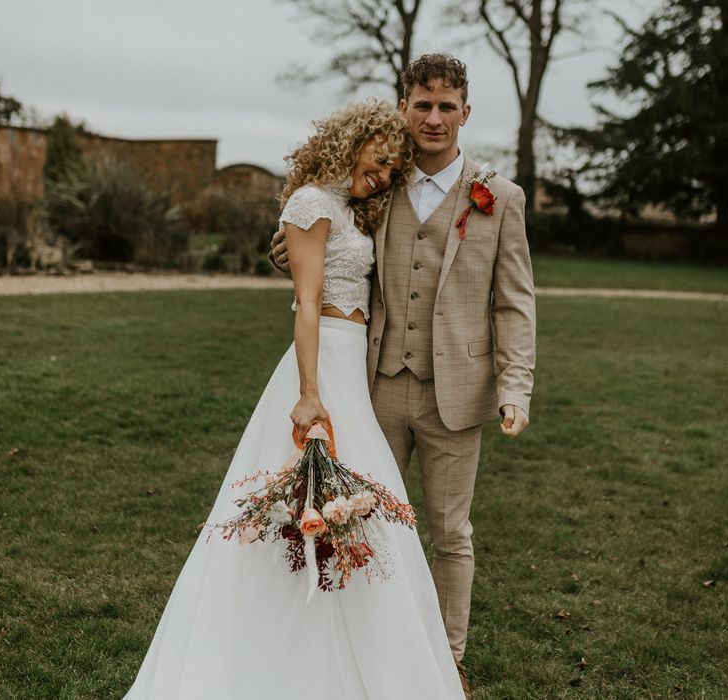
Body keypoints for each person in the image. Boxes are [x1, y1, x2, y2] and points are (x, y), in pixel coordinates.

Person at [123, 99, 466, 699]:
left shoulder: (356, 211)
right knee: (305, 502)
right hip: (322, 369)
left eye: (392, 166)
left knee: (364, 510)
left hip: (353, 371)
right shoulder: (309, 203)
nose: (382, 173)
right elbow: (306, 305)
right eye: (377, 159)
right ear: (350, 142)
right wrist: (310, 396)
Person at [271, 54, 536, 700]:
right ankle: (359, 653)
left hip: (458, 395)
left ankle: (447, 661)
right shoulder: (378, 184)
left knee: (451, 535)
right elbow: (321, 243)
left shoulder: (499, 198)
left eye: (448, 106)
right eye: (423, 104)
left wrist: (515, 387)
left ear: (466, 113)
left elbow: (515, 301)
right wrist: (281, 252)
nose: (435, 117)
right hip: (374, 385)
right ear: (404, 109)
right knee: (359, 518)